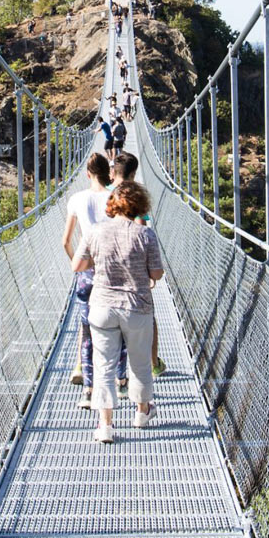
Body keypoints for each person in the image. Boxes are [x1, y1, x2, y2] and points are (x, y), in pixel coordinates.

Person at [72, 183, 165, 443]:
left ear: (113, 204)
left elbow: (77, 264)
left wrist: (100, 261)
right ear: (139, 205)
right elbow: (156, 273)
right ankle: (142, 413)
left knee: (104, 367)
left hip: (101, 307)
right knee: (139, 364)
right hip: (136, 308)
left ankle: (105, 426)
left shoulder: (95, 231)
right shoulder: (145, 235)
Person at [61, 154, 122, 404]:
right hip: (114, 271)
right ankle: (120, 381)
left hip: (87, 271)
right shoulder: (117, 197)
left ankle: (87, 386)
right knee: (116, 327)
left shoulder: (77, 199)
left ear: (87, 174)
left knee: (86, 329)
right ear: (108, 174)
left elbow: (65, 242)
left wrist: (80, 265)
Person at [111, 152, 164, 378]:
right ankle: (152, 364)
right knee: (147, 319)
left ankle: (99, 371)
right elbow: (141, 224)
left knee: (103, 322)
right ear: (132, 174)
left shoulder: (100, 193)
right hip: (133, 273)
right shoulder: (134, 195)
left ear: (113, 171)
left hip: (105, 269)